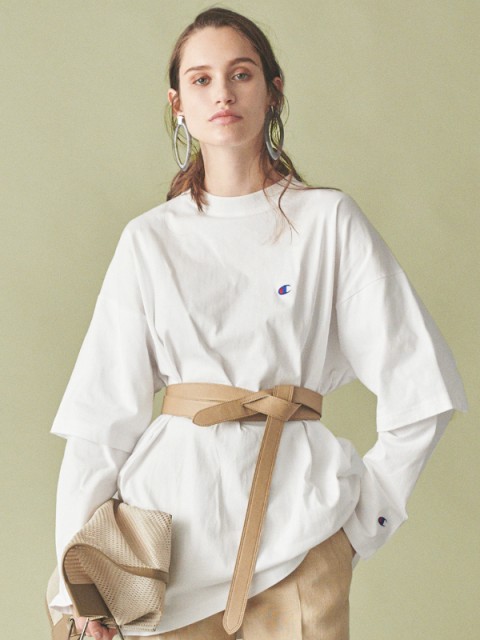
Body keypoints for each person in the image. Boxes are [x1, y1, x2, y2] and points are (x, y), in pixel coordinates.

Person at [47, 7, 467, 640]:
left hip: (301, 549)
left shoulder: (327, 222)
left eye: (240, 74)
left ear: (273, 91)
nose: (222, 93)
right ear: (177, 104)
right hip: (162, 558)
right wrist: (78, 589)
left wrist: (359, 531)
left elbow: (421, 385)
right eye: (201, 79)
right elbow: (99, 422)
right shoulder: (149, 240)